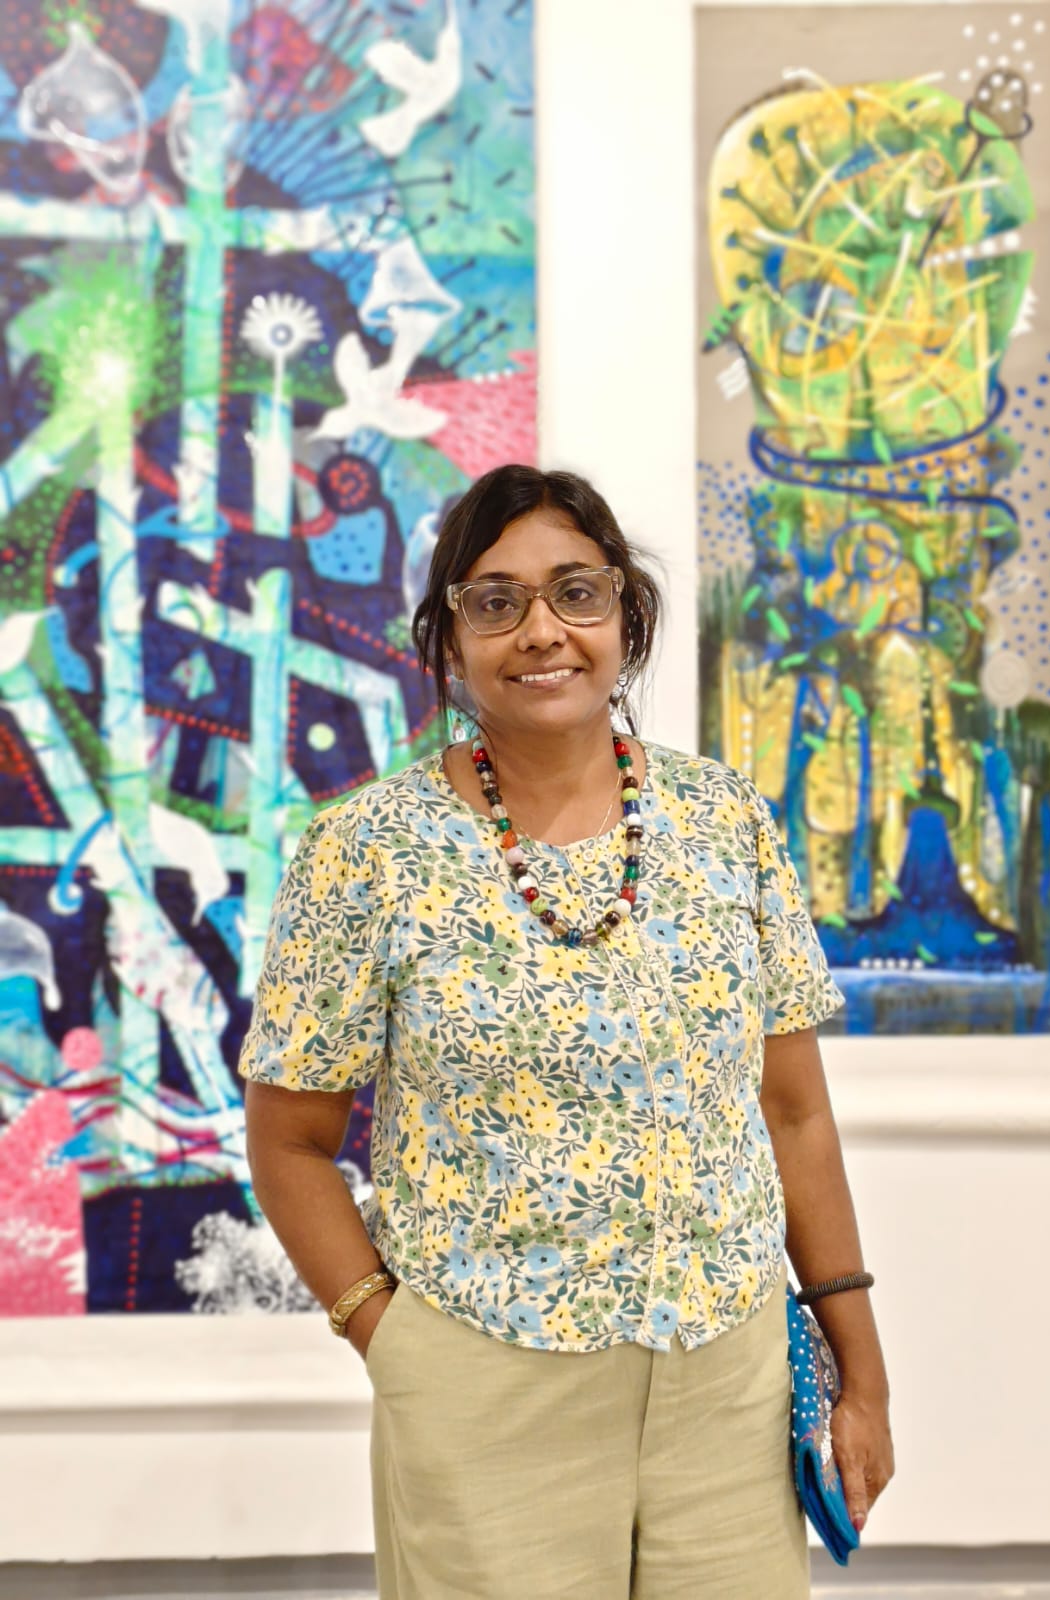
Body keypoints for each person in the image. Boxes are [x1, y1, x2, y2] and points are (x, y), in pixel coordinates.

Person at [239, 464, 894, 1599]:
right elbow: (289, 1139)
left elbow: (793, 1112)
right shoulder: (367, 852)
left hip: (730, 1384)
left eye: (576, 592)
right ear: (450, 638)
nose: (541, 631)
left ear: (625, 616)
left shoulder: (724, 818)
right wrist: (391, 1340)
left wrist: (862, 1371)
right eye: (495, 602)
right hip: (488, 1388)